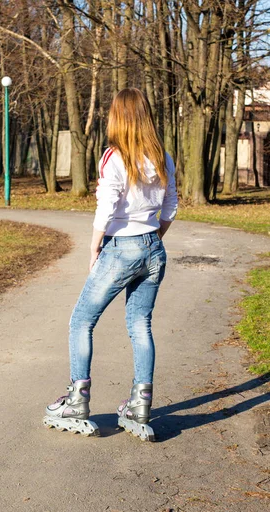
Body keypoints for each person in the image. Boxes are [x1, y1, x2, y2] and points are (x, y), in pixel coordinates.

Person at [43, 88, 178, 441]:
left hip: (121, 249)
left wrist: (94, 248)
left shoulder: (113, 157)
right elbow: (171, 208)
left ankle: (76, 401)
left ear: (117, 118)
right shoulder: (163, 156)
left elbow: (106, 208)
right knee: (140, 324)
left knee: (81, 320)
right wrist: (152, 240)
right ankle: (140, 404)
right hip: (153, 248)